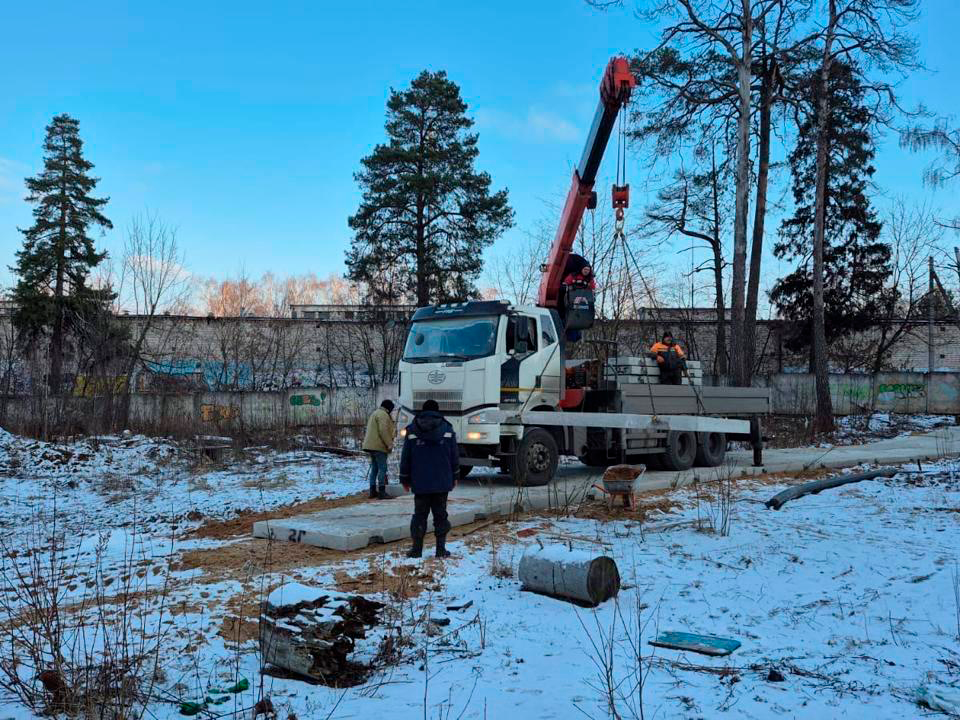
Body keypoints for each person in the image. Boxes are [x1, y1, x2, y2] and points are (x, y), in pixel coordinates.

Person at [399, 399, 459, 559]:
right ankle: (440, 550)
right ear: (437, 411)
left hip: (420, 482)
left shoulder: (412, 429)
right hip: (441, 482)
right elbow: (454, 455)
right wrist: (455, 475)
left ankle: (416, 550)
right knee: (441, 515)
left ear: (422, 411)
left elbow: (406, 457)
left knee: (419, 515)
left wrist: (404, 478)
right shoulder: (447, 428)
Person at [362, 399, 396, 499]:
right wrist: (389, 444)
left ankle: (372, 491)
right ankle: (382, 492)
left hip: (370, 446)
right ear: (388, 408)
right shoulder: (383, 415)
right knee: (382, 468)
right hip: (379, 446)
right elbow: (383, 430)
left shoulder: (375, 413)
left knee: (375, 468)